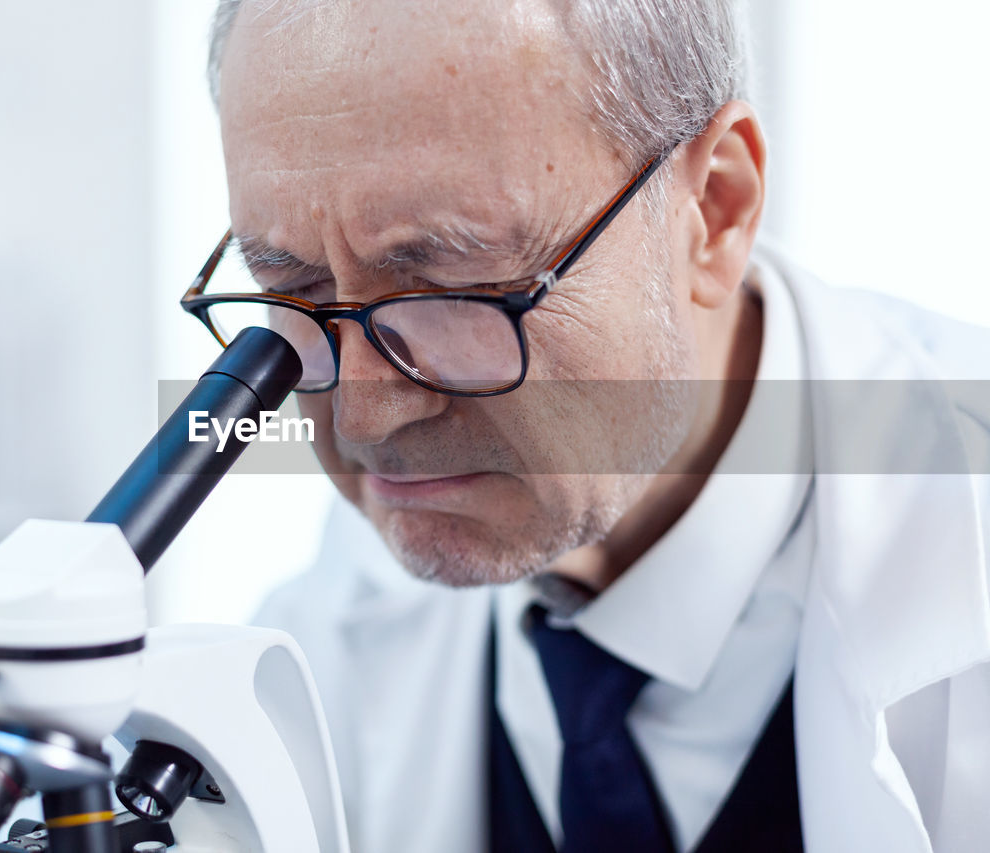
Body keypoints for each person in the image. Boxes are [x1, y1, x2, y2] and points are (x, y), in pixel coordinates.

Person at [188, 1, 990, 851]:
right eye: (293, 288)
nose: (362, 412)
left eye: (451, 286)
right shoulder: (327, 640)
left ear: (715, 210)